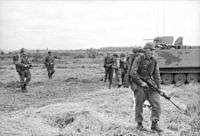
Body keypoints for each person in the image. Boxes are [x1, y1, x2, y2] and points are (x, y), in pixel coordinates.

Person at [130, 42, 163, 132]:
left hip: (149, 83)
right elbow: (133, 73)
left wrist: (159, 88)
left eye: (153, 50)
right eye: (150, 50)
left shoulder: (154, 60)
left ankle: (154, 124)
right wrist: (141, 83)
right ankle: (139, 124)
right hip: (138, 84)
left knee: (157, 104)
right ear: (145, 50)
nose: (152, 52)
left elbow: (156, 75)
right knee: (139, 104)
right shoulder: (138, 59)